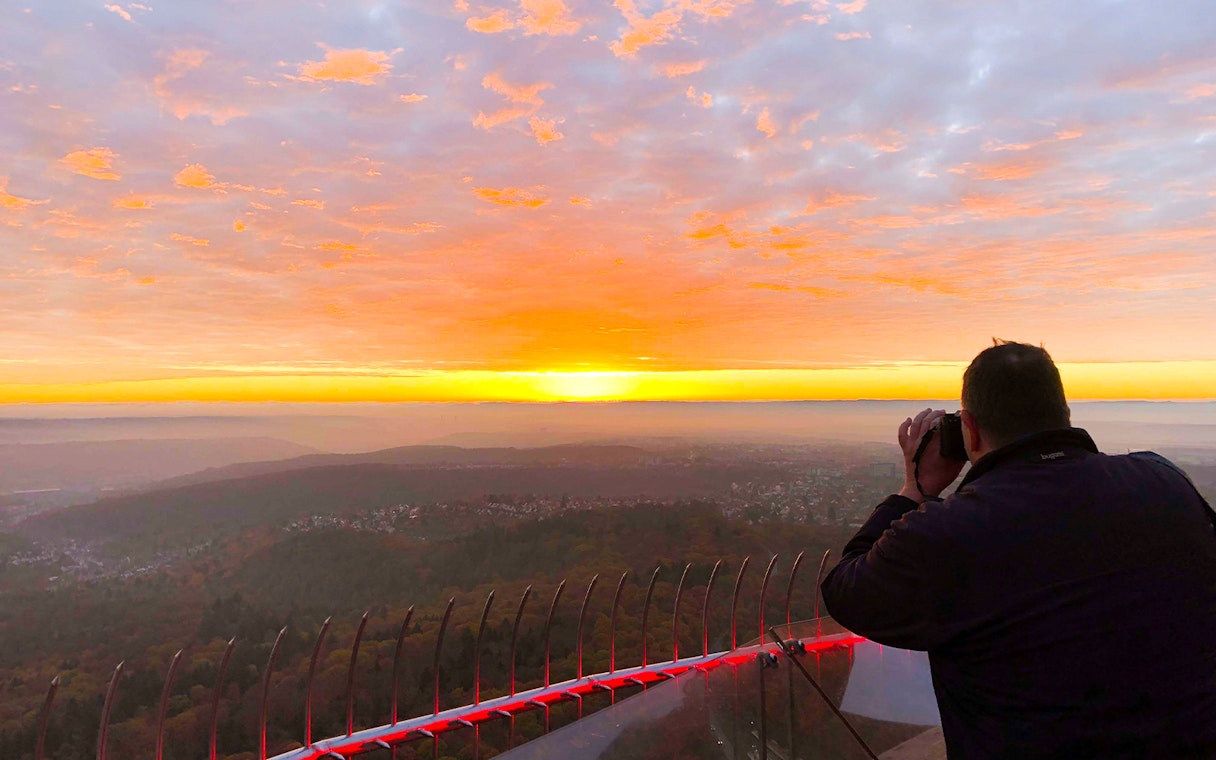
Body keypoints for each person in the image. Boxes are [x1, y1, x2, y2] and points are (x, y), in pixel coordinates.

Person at [821, 341, 1216, 758]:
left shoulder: (950, 532)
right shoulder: (1164, 482)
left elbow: (845, 591)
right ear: (1063, 414)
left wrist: (914, 490)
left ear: (969, 430)